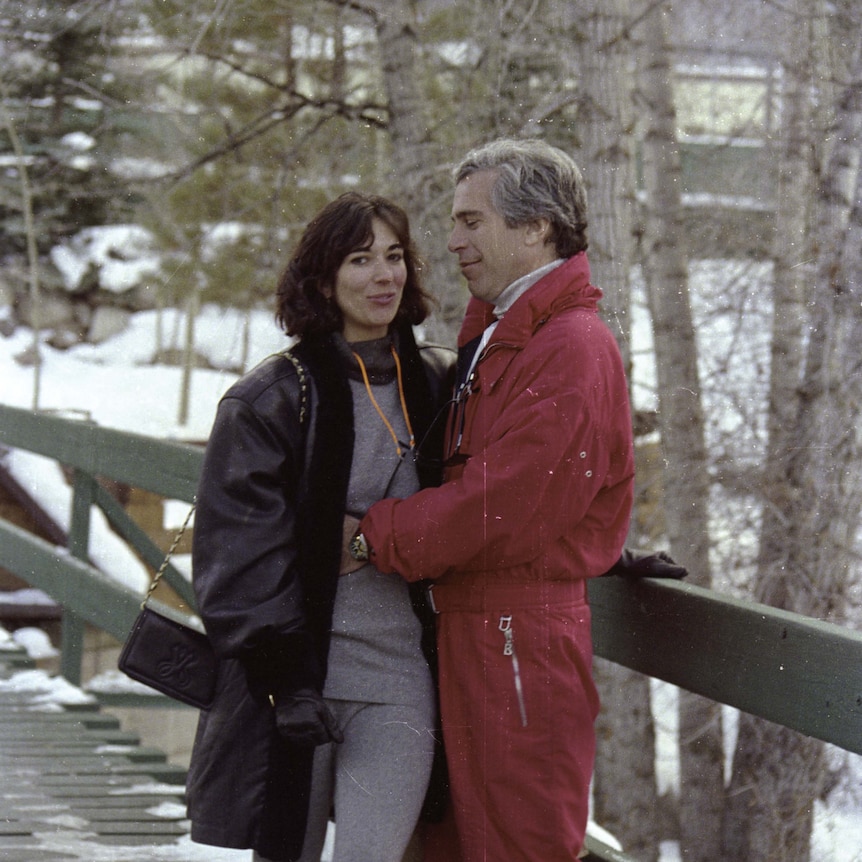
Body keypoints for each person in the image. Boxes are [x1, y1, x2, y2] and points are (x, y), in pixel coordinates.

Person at [342, 138, 644, 861]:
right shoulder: (503, 331)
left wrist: (368, 537)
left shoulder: (570, 344)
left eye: (472, 222)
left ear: (536, 225)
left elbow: (504, 504)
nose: (451, 241)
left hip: (518, 642)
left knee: (516, 845)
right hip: (478, 631)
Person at [186, 192, 454, 862]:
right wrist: (285, 679)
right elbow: (234, 559)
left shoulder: (441, 383)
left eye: (394, 257)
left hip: (400, 682)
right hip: (298, 684)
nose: (383, 276)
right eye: (360, 260)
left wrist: (608, 553)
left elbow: (506, 493)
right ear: (323, 278)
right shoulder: (271, 398)